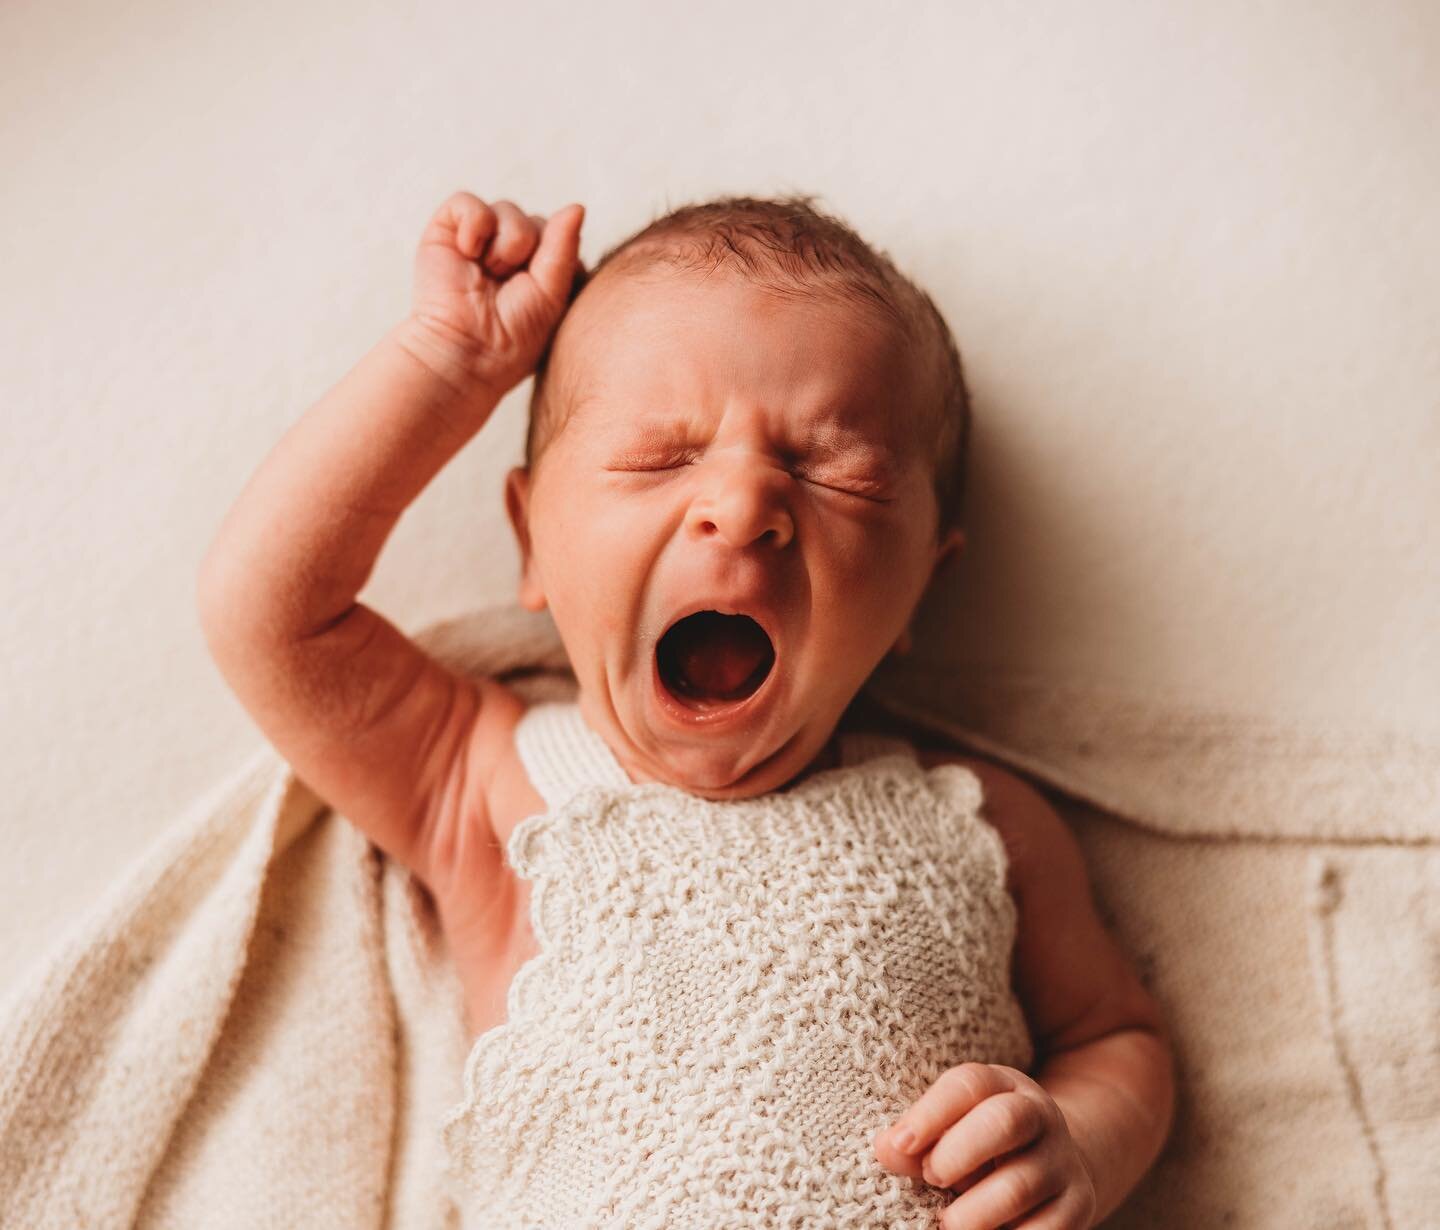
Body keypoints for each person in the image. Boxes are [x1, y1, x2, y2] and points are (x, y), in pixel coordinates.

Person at [197, 190, 1175, 1228]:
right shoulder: (489, 784)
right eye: (662, 456)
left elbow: (1121, 1041)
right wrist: (450, 364)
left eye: (830, 471)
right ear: (531, 543)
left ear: (920, 589)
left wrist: (1080, 1143)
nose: (746, 505)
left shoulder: (981, 826)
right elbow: (268, 614)